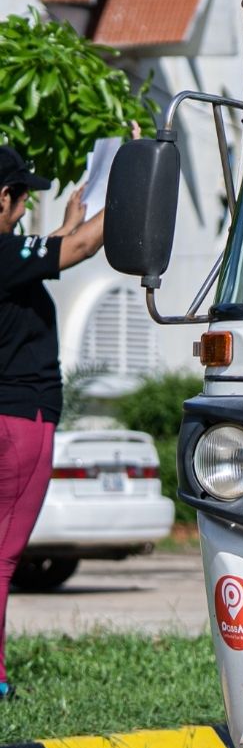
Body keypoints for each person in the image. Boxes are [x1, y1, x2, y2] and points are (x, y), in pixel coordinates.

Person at [0, 148, 106, 699]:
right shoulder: (2, 251)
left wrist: (66, 226)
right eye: (20, 202)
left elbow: (59, 249)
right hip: (20, 420)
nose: (22, 213)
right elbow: (84, 247)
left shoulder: (10, 258)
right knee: (2, 556)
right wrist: (135, 186)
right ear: (2, 199)